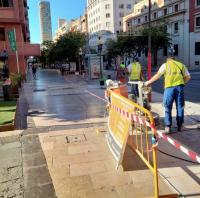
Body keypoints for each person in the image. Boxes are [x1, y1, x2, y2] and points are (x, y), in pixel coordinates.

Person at [145, 49, 191, 134]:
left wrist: (148, 82)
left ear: (168, 58)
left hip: (169, 88)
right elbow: (188, 77)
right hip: (179, 88)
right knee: (180, 107)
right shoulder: (181, 65)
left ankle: (168, 127)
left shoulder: (165, 65)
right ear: (174, 58)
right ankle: (180, 126)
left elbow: (158, 75)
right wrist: (181, 83)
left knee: (167, 107)